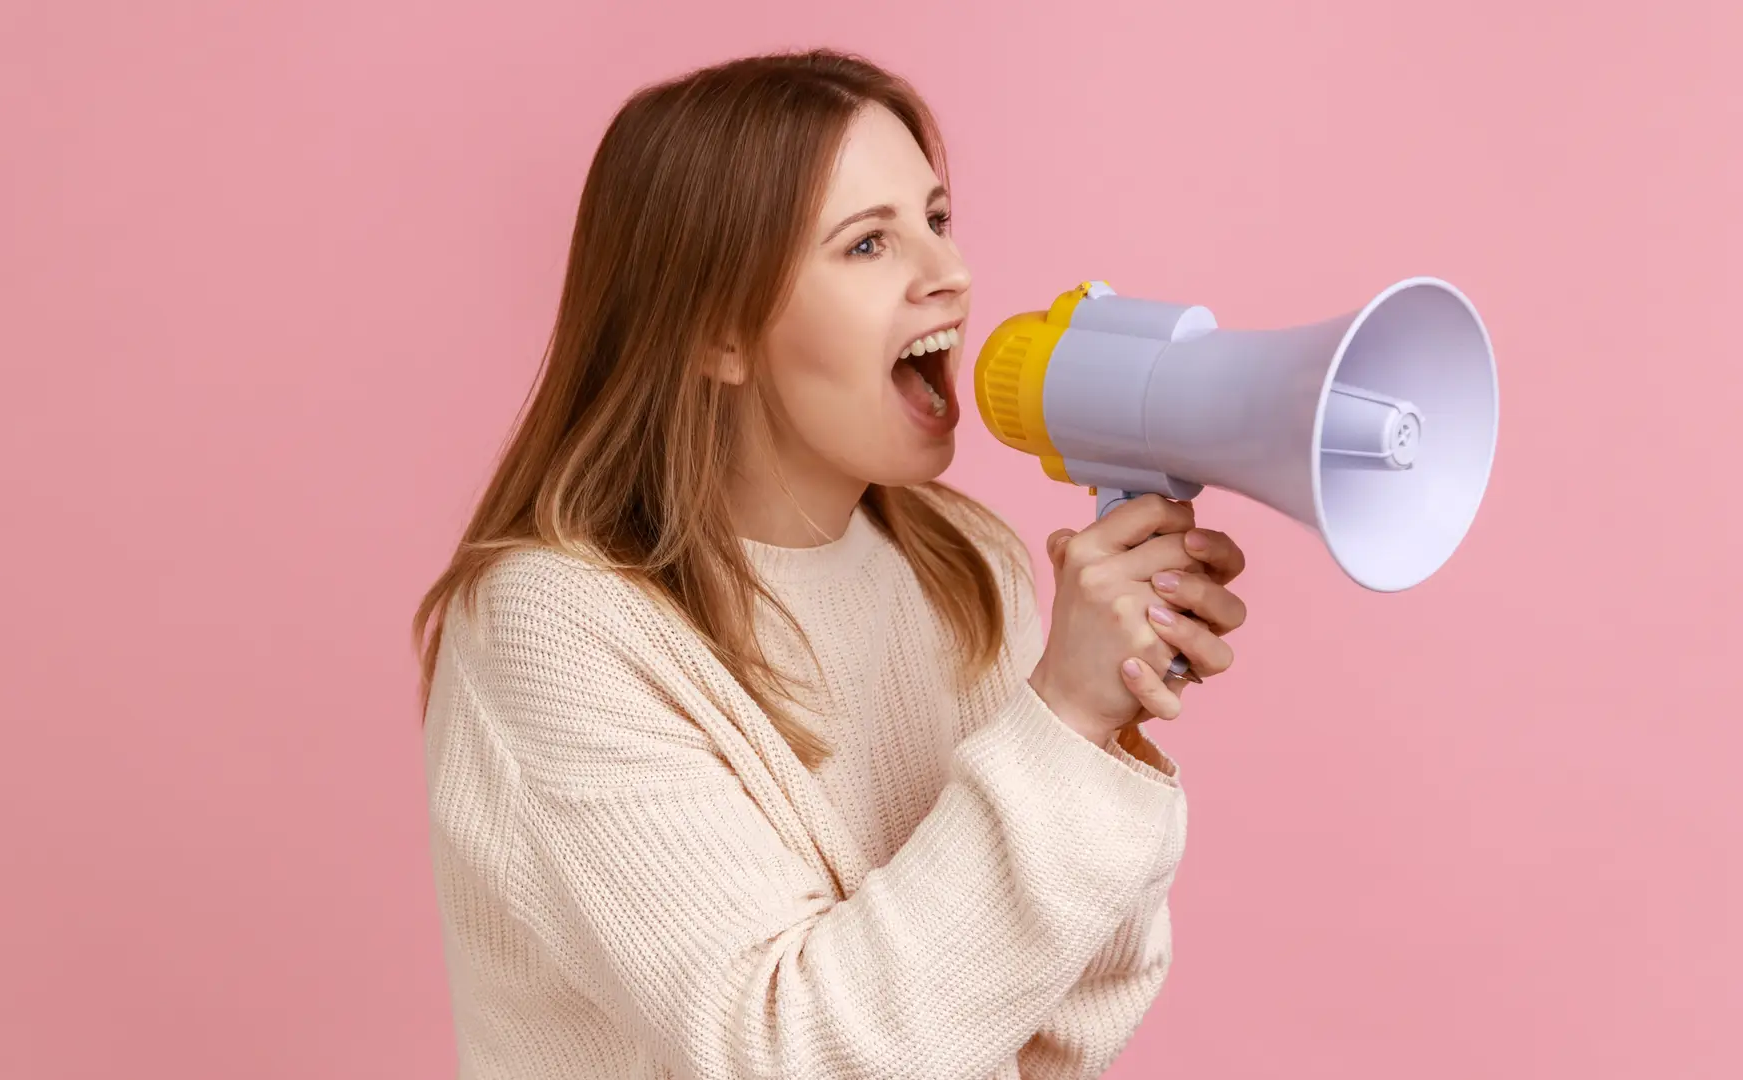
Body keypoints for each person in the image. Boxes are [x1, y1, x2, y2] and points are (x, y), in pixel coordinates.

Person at [411, 47, 1249, 1080]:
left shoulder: (965, 565)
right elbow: (792, 1056)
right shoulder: (551, 631)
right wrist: (1063, 718)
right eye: (866, 245)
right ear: (718, 330)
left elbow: (1070, 1022)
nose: (951, 273)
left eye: (937, 219)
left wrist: (1103, 729)